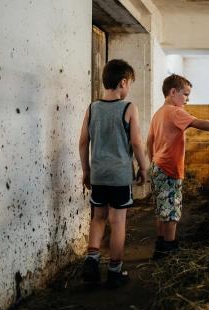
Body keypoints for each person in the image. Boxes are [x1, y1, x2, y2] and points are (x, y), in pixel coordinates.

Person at [147, 74, 209, 259]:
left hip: (157, 166)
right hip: (169, 168)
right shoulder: (175, 111)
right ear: (173, 92)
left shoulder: (158, 113)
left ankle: (160, 245)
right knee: (172, 210)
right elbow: (200, 124)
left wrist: (153, 161)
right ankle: (169, 249)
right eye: (185, 94)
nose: (187, 100)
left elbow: (149, 141)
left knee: (161, 209)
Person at [79, 59, 148, 287]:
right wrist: (144, 168)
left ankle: (92, 259)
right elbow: (137, 143)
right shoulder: (129, 108)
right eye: (129, 84)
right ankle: (115, 271)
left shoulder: (92, 108)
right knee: (118, 222)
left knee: (98, 218)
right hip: (119, 177)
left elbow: (82, 142)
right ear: (123, 82)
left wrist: (86, 170)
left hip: (98, 175)